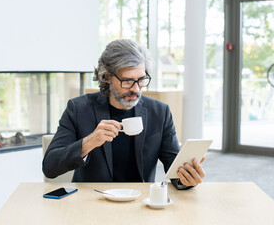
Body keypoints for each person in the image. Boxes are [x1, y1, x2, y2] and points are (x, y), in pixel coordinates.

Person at [42, 39, 205, 189]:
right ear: (106, 77)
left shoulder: (159, 112)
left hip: (141, 203)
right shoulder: (78, 109)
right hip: (93, 202)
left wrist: (187, 177)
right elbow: (49, 167)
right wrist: (89, 142)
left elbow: (175, 170)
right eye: (127, 81)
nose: (136, 88)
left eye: (141, 79)